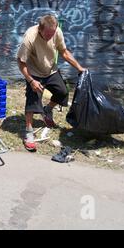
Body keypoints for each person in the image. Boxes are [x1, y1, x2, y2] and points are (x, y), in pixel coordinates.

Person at [16, 14, 86, 152]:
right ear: (40, 29)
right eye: (48, 34)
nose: (50, 36)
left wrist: (79, 68)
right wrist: (31, 81)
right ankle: (28, 132)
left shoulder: (56, 31)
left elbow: (64, 52)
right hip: (34, 72)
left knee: (63, 93)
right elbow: (21, 62)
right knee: (32, 101)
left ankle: (47, 110)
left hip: (50, 70)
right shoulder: (30, 37)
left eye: (52, 33)